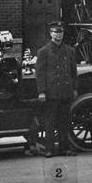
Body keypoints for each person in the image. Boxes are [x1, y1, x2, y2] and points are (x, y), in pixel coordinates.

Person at [34, 20, 77, 157]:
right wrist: (42, 91)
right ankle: (49, 149)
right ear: (51, 33)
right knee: (50, 123)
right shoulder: (43, 52)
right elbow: (40, 74)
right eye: (56, 32)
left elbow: (73, 72)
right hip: (51, 93)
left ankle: (65, 148)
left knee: (65, 122)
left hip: (65, 92)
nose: (59, 35)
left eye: (61, 32)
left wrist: (74, 88)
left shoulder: (70, 51)